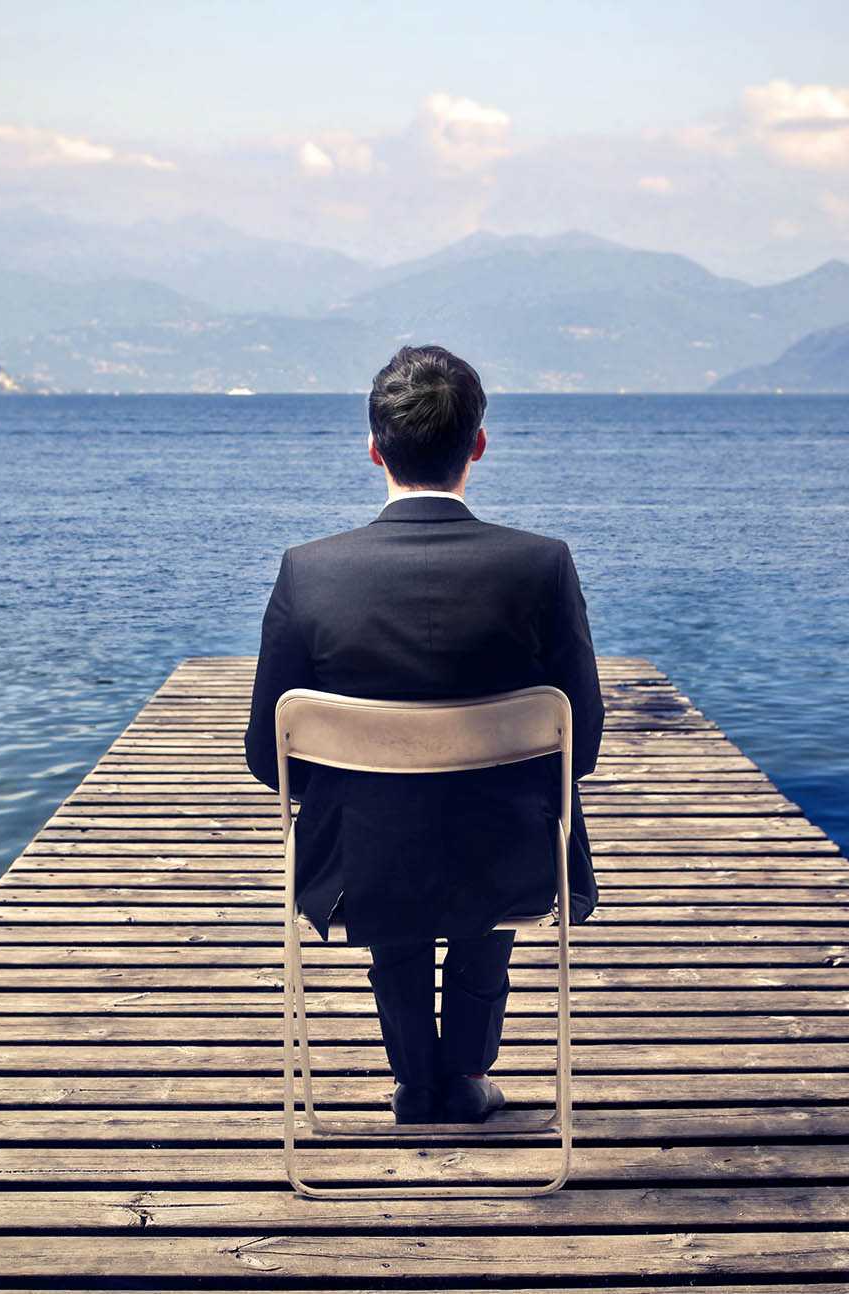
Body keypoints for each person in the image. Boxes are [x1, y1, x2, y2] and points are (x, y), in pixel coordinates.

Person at [243, 343, 605, 1124]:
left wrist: (364, 781)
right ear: (477, 443)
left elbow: (265, 760)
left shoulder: (310, 571)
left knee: (391, 839)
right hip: (510, 859)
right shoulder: (541, 565)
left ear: (374, 448)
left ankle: (417, 1083)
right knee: (490, 832)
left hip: (362, 864)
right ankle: (465, 1075)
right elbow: (586, 739)